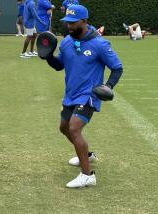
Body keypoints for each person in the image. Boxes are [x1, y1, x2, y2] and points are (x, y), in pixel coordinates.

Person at [41, 5, 123, 188]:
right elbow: (59, 65)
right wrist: (47, 56)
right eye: (67, 23)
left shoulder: (100, 44)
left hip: (89, 94)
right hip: (71, 93)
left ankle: (87, 176)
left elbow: (117, 68)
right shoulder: (67, 42)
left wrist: (107, 86)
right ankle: (86, 155)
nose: (69, 26)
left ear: (84, 21)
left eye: (73, 22)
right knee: (64, 127)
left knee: (74, 128)